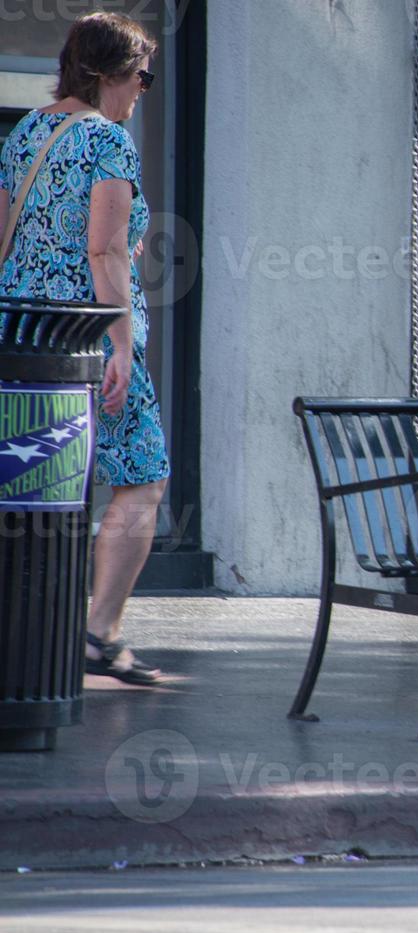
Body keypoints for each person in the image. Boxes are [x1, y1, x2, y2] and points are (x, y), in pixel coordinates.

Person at [0, 13, 169, 685]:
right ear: (109, 74)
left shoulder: (24, 133)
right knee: (143, 479)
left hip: (24, 339)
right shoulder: (108, 140)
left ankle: (29, 634)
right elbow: (102, 250)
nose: (143, 90)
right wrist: (122, 343)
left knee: (37, 485)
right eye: (141, 76)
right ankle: (99, 630)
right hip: (86, 341)